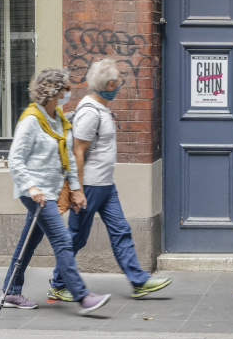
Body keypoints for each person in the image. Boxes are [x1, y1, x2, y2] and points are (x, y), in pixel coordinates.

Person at [48, 59, 172, 301]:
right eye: (118, 82)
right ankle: (58, 283)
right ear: (111, 84)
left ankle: (139, 281)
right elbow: (78, 153)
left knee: (121, 231)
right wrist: (78, 191)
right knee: (77, 237)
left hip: (105, 185)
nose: (120, 86)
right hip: (90, 186)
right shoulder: (89, 113)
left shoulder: (100, 109)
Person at [1, 68, 111, 315]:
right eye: (65, 89)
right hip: (36, 194)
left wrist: (76, 190)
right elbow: (16, 159)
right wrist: (31, 187)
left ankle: (10, 291)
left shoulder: (58, 119)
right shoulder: (31, 120)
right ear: (53, 91)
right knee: (62, 240)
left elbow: (69, 158)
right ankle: (83, 296)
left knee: (29, 242)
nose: (68, 93)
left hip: (51, 190)